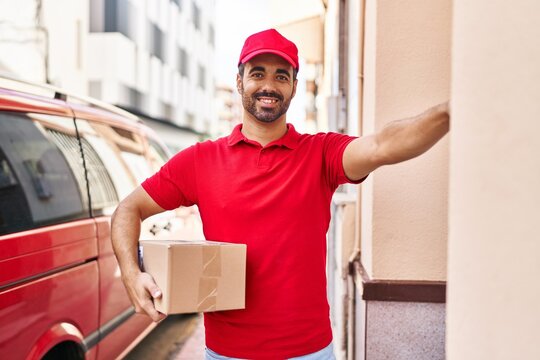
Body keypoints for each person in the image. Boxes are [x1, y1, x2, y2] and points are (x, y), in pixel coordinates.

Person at [111, 28, 450, 360]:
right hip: (228, 353)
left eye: (281, 76)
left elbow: (382, 145)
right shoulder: (201, 160)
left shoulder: (320, 153)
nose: (269, 86)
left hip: (310, 352)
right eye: (258, 73)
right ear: (240, 80)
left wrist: (448, 112)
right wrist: (130, 273)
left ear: (294, 87)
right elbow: (128, 209)